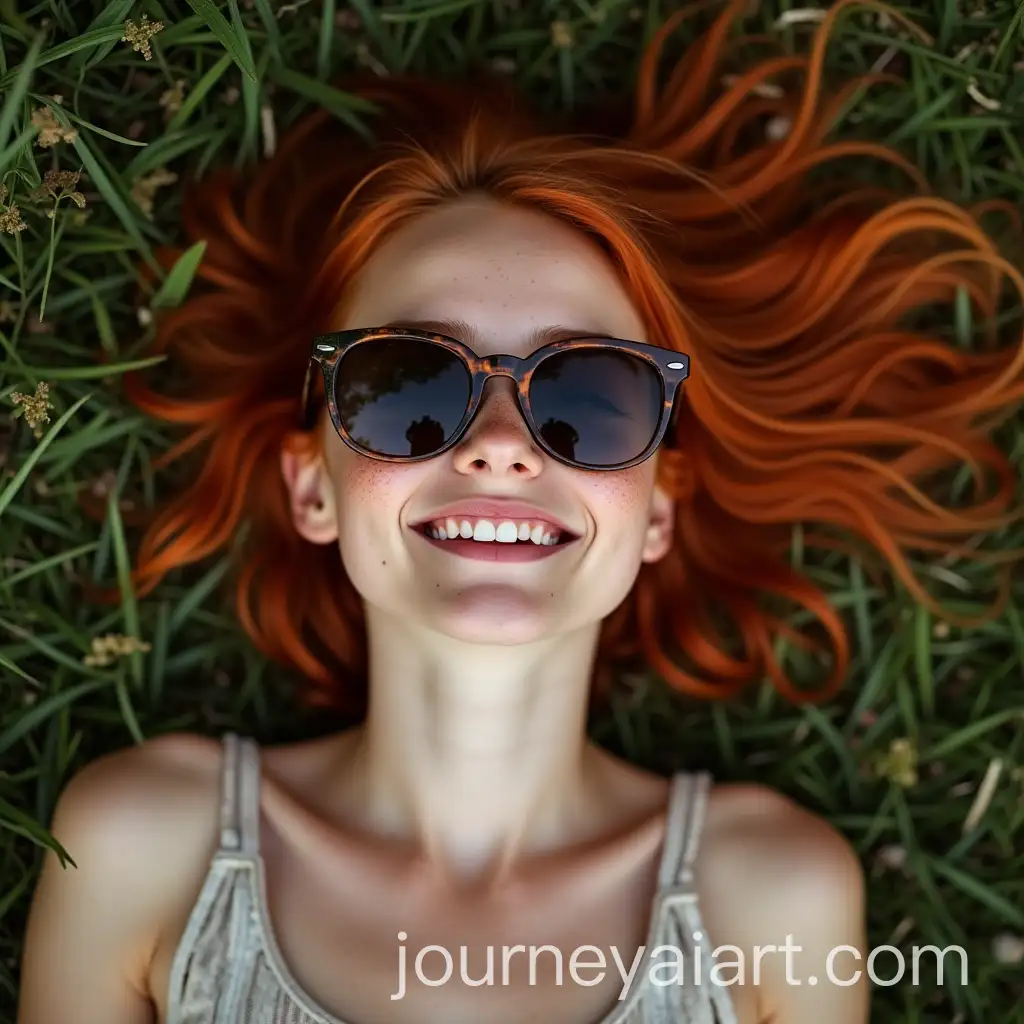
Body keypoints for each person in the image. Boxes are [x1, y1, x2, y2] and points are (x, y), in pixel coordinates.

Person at [17, 1, 1023, 1022]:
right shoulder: (144, 847)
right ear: (312, 485)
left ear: (658, 510)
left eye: (587, 397)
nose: (498, 441)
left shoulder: (769, 898)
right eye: (408, 387)